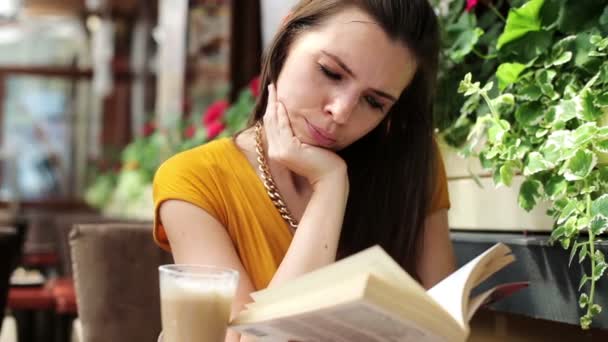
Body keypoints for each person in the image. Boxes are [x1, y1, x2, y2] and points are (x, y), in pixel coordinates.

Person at [153, 0, 456, 341]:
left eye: (373, 102)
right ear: (285, 42)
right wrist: (329, 186)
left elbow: (444, 330)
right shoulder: (195, 180)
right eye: (330, 72)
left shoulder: (410, 167)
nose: (341, 112)